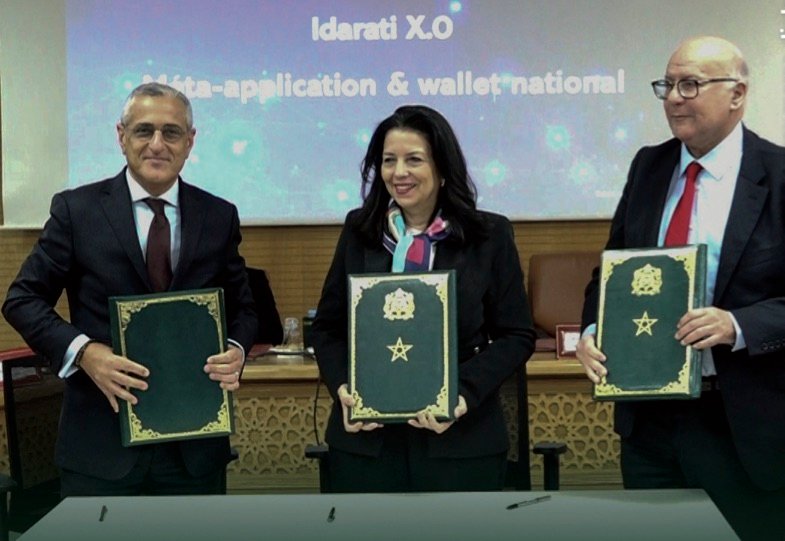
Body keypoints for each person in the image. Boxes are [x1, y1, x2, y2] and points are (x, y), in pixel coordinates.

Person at [2, 83, 258, 496]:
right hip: (100, 447)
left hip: (193, 449)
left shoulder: (218, 215)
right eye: (144, 130)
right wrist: (84, 352)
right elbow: (22, 300)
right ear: (121, 137)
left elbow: (245, 309)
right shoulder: (77, 211)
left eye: (171, 132)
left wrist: (236, 351)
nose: (157, 144)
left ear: (190, 142)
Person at [576, 36, 785, 540]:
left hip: (740, 423)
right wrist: (591, 330)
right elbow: (610, 273)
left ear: (737, 93)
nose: (673, 98)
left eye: (690, 84)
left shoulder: (779, 174)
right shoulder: (649, 167)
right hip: (650, 422)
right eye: (667, 85)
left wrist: (737, 324)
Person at [310, 104, 536, 492]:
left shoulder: (488, 235)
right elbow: (328, 328)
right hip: (368, 444)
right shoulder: (360, 231)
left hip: (461, 441)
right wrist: (345, 388)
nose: (399, 172)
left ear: (443, 168)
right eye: (388, 161)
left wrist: (461, 395)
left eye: (413, 159)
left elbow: (517, 335)